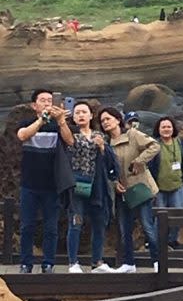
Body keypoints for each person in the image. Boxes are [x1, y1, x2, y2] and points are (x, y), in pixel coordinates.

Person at [16, 88, 75, 273]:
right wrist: (42, 119)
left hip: (52, 185)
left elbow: (70, 141)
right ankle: (26, 263)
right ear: (34, 105)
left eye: (50, 100)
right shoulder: (27, 122)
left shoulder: (58, 125)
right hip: (29, 184)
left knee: (51, 227)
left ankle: (48, 263)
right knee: (27, 225)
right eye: (43, 100)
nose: (48, 103)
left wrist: (61, 121)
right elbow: (23, 135)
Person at [99, 106, 160, 272]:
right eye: (102, 121)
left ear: (118, 119)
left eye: (108, 119)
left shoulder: (132, 134)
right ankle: (128, 263)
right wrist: (113, 184)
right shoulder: (105, 143)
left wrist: (139, 161)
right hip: (122, 191)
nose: (105, 123)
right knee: (124, 228)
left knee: (147, 225)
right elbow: (105, 169)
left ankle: (157, 261)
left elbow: (154, 145)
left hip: (140, 187)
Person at [66, 101, 119, 273]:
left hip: (97, 187)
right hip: (77, 185)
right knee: (76, 222)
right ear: (73, 117)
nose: (80, 115)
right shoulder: (71, 135)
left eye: (84, 112)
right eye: (77, 113)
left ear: (90, 115)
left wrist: (102, 147)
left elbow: (111, 162)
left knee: (99, 223)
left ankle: (97, 261)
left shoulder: (99, 135)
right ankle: (73, 262)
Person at [149, 117, 183, 249]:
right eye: (163, 127)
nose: (166, 129)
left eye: (169, 127)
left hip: (177, 185)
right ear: (158, 129)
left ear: (173, 128)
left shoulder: (179, 143)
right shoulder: (154, 145)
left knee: (178, 215)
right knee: (159, 218)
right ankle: (157, 243)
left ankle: (172, 241)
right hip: (159, 188)